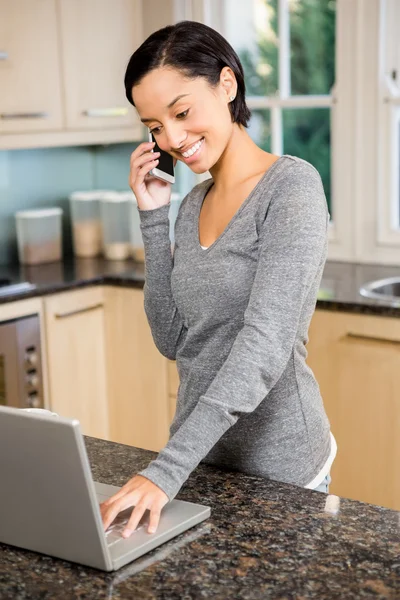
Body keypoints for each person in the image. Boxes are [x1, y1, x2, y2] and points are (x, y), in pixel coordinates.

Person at [100, 20, 337, 538]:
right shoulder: (190, 205)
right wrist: (153, 217)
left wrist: (164, 469)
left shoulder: (292, 189)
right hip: (201, 463)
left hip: (282, 468)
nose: (172, 139)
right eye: (155, 126)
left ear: (226, 85)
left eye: (182, 112)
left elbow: (264, 345)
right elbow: (173, 339)